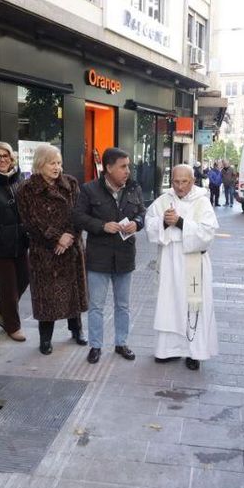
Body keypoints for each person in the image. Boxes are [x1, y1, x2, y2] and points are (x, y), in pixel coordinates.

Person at [72, 147, 144, 364]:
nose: (127, 171)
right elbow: (77, 217)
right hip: (99, 257)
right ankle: (95, 346)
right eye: (123, 166)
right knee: (96, 306)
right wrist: (102, 226)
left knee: (123, 305)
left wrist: (137, 223)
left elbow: (142, 212)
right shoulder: (89, 189)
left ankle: (121, 343)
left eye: (128, 166)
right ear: (109, 168)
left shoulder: (133, 188)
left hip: (124, 256)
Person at [16, 144, 88, 355]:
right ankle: (45, 339)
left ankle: (77, 331)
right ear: (40, 163)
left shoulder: (71, 183)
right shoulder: (26, 189)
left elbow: (80, 212)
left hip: (71, 248)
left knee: (74, 293)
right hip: (44, 252)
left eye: (59, 163)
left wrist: (69, 236)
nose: (57, 167)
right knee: (46, 298)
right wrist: (57, 238)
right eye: (52, 163)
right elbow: (29, 222)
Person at [146, 164, 220, 369]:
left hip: (192, 262)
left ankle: (193, 353)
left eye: (184, 182)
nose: (179, 186)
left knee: (193, 306)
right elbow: (149, 223)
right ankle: (167, 350)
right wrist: (162, 221)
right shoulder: (164, 200)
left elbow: (208, 233)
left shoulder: (202, 202)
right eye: (176, 182)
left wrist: (180, 222)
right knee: (169, 304)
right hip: (170, 262)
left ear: (193, 181)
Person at [0, 141, 29, 343]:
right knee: (8, 288)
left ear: (12, 158)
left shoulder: (18, 180)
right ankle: (13, 326)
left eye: (5, 156)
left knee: (25, 279)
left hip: (20, 243)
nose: (2, 159)